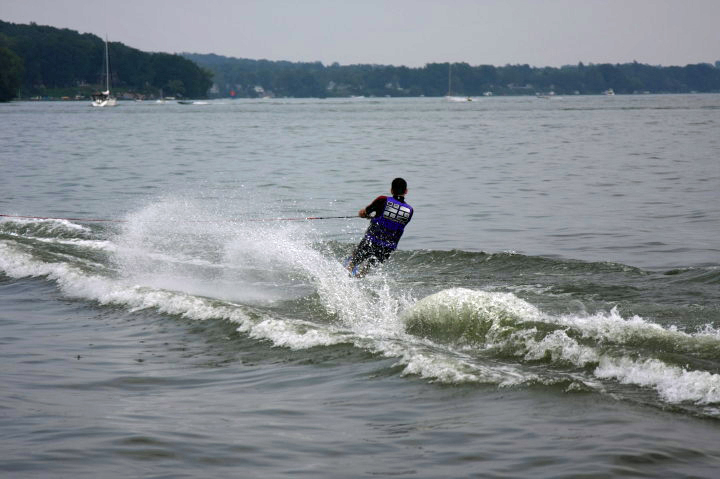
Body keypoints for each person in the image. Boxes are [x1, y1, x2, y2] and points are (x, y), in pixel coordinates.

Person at [346, 177, 413, 276]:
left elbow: (364, 213)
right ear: (406, 191)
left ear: (391, 190)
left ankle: (346, 275)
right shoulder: (410, 210)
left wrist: (364, 215)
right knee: (365, 271)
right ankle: (359, 279)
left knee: (353, 263)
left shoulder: (382, 200)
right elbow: (396, 223)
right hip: (388, 247)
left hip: (371, 241)